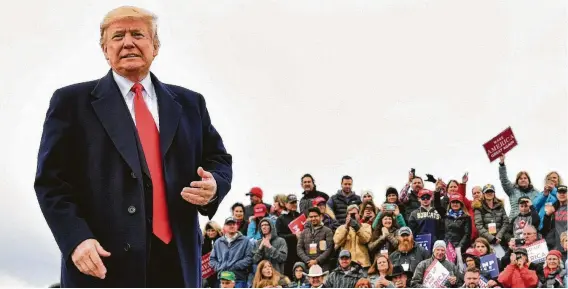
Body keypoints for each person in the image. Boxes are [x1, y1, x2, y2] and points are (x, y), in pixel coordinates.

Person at [33, 6, 232, 288]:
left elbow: (218, 159)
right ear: (104, 49)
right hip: (103, 263)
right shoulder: (70, 103)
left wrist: (215, 185)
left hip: (177, 264)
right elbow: (51, 183)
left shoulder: (190, 104)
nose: (128, 42)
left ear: (155, 46)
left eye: (138, 34)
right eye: (117, 36)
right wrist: (76, 239)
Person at [210, 217, 254, 288]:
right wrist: (220, 267)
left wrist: (234, 266)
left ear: (237, 226)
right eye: (229, 224)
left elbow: (249, 258)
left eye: (234, 224)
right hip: (222, 279)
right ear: (224, 227)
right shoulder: (218, 242)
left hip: (238, 279)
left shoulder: (246, 241)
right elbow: (212, 259)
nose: (232, 226)